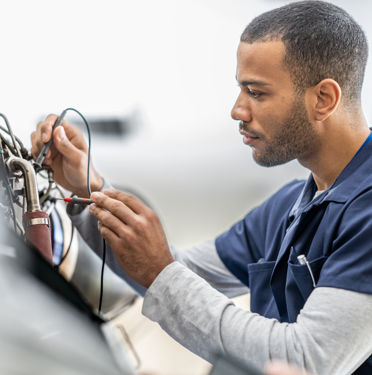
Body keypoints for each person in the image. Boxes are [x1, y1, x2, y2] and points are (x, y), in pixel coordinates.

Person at [31, 1, 372, 374]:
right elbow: (176, 271)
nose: (237, 110)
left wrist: (161, 271)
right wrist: (89, 187)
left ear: (323, 99)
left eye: (256, 92)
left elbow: (306, 360)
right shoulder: (290, 205)